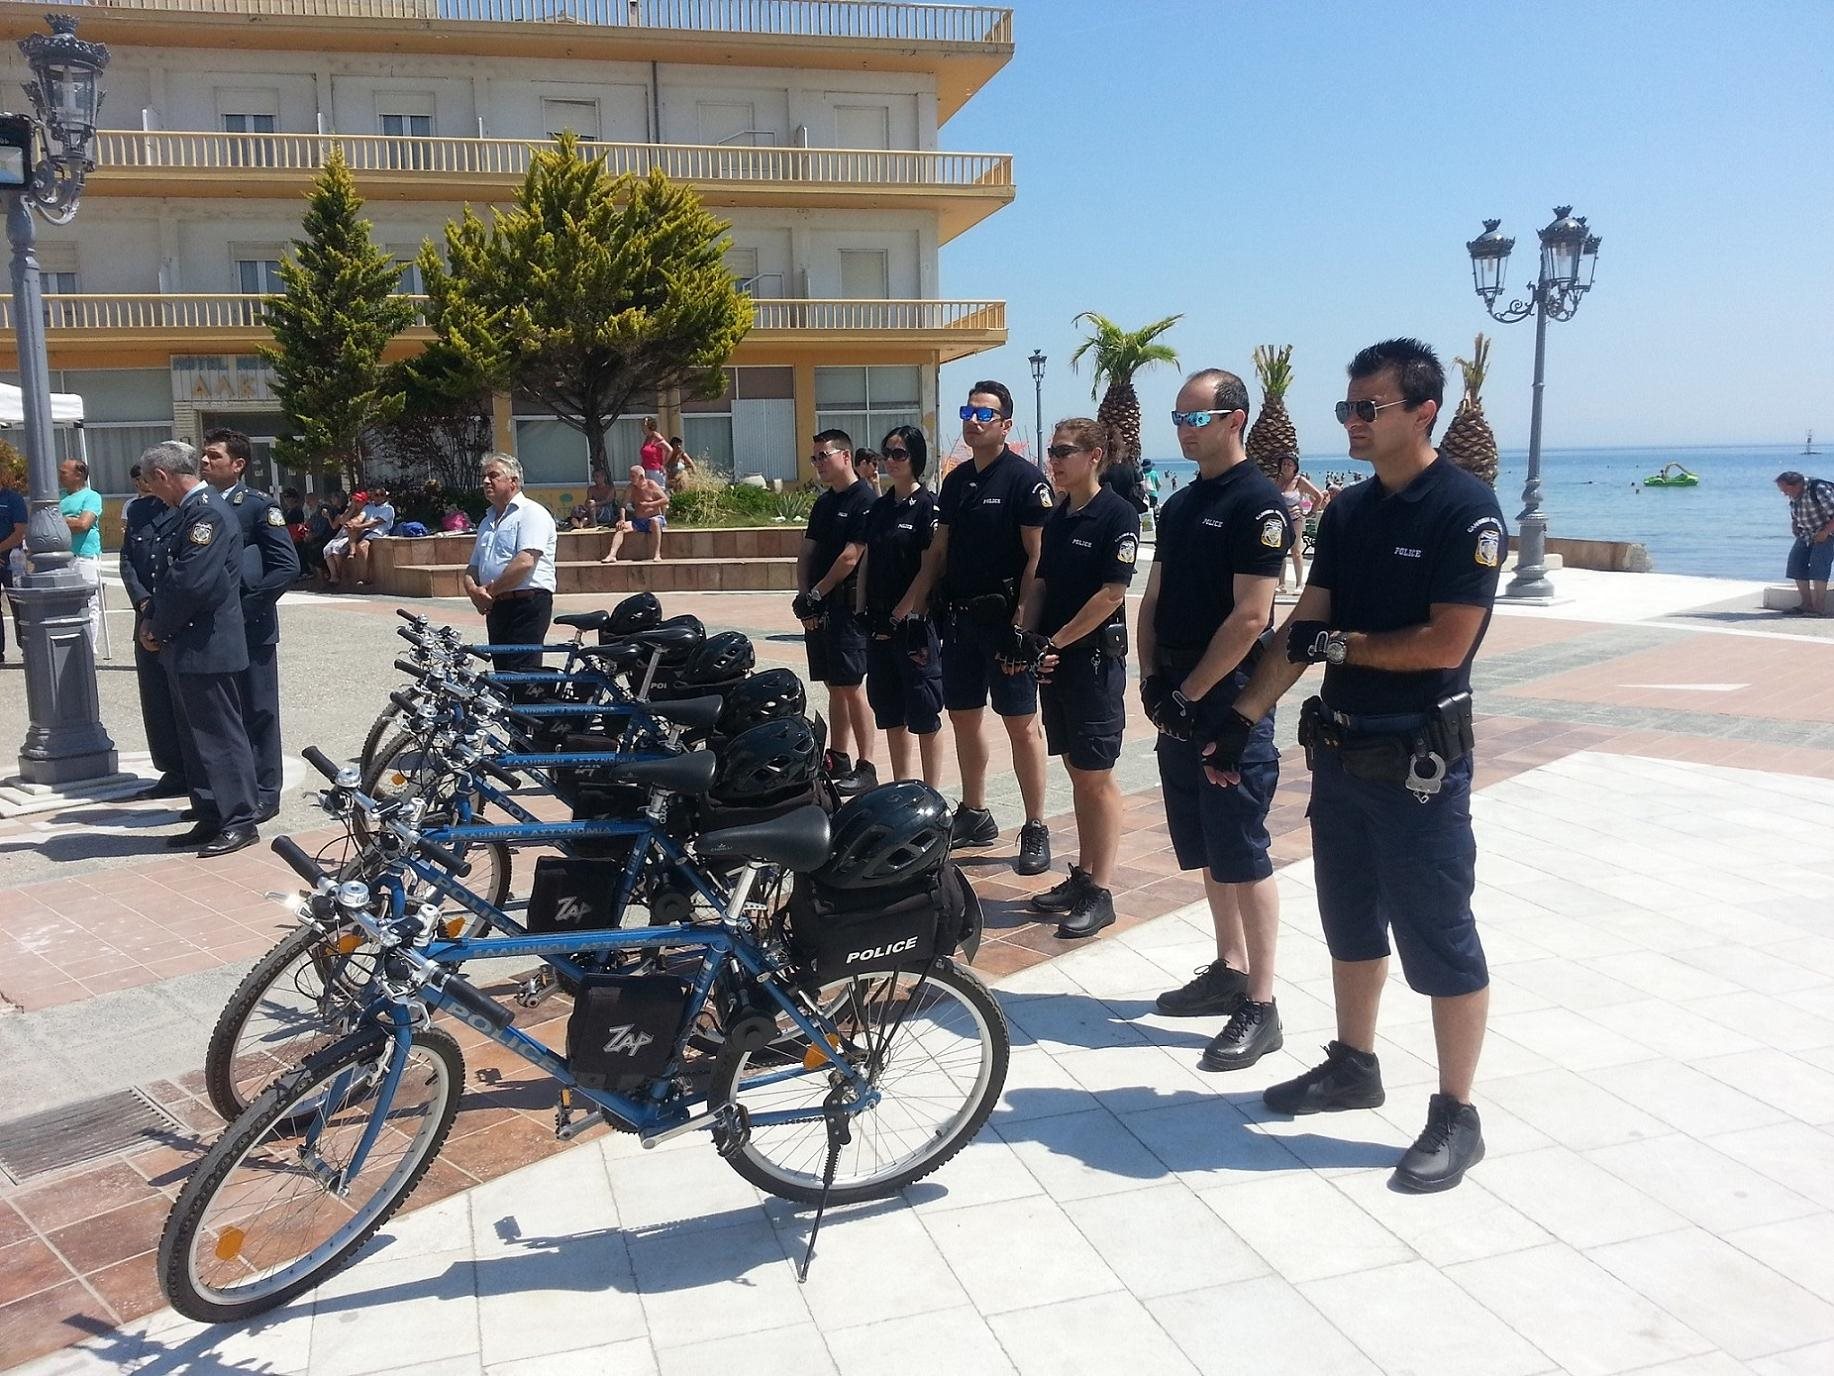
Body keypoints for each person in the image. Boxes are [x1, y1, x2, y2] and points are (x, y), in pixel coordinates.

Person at [1206, 338, 1507, 1193]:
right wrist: (1239, 717)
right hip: (1340, 757)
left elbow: (1448, 640)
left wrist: (1333, 644)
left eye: (1367, 408)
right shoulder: (1349, 512)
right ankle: (1354, 1065)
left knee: (1440, 936)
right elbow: (1307, 621)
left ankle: (1457, 1113)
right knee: (1348, 921)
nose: (1354, 422)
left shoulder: (1465, 509)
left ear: (1423, 413)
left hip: (1418, 766)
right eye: (1348, 408)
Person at [1137, 370, 1291, 1071]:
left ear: (1237, 419)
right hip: (1177, 695)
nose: (1183, 428)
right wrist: (1148, 680)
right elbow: (1154, 595)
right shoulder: (1178, 506)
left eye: (1197, 417)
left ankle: (1262, 1002)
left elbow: (1253, 616)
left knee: (1243, 849)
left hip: (1226, 701)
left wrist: (1193, 694)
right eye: (1178, 417)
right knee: (1203, 845)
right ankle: (1228, 968)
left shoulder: (1257, 504)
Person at [894, 381, 1054, 875]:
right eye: (968, 411)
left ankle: (1035, 826)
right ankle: (976, 812)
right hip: (960, 622)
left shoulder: (1026, 481)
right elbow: (937, 553)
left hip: (1005, 624)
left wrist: (1022, 626)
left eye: (984, 414)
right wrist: (914, 612)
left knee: (1021, 726)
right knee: (964, 717)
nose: (972, 420)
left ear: (1005, 425)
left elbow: (1038, 558)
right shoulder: (957, 481)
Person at [1015, 418, 1139, 938]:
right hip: (1056, 661)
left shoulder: (1118, 515)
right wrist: (1026, 631)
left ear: (1095, 456)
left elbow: (1112, 594)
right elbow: (1041, 581)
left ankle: (1101, 890)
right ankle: (1083, 874)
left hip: (1092, 664)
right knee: (1075, 768)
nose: (1055, 460)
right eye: (1051, 451)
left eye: (1065, 451)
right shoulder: (1061, 515)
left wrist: (1057, 641)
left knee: (1096, 775)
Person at [138, 440, 261, 859]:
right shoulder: (192, 511)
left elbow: (193, 581)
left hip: (205, 643)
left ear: (163, 476)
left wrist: (157, 625)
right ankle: (212, 812)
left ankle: (240, 819)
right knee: (197, 739)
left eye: (153, 485)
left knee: (220, 735)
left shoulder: (205, 512)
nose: (154, 493)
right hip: (189, 644)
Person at [201, 427, 299, 823]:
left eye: (214, 456)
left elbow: (286, 566)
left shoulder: (257, 506)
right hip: (211, 629)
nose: (205, 462)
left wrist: (246, 609)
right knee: (225, 714)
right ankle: (231, 793)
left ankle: (264, 791)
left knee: (258, 709)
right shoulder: (198, 504)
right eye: (203, 456)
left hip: (250, 625)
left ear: (238, 465)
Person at [857, 425, 944, 787]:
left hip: (913, 627)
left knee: (924, 711)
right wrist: (861, 608)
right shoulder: (879, 507)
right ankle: (902, 786)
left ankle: (931, 791)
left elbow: (929, 567)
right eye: (886, 453)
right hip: (878, 622)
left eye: (899, 454)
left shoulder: (927, 506)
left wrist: (901, 614)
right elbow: (867, 559)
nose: (890, 461)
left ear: (915, 459)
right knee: (889, 709)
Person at [796, 429, 878, 794]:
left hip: (847, 607)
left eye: (823, 456)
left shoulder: (865, 499)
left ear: (845, 456)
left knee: (851, 686)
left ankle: (867, 764)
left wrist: (817, 592)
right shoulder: (824, 503)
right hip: (820, 606)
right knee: (833, 685)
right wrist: (804, 596)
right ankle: (839, 756)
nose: (818, 464)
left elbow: (851, 555)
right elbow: (807, 551)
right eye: (814, 458)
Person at [120, 458, 188, 798]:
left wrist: (159, 609)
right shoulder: (138, 511)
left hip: (176, 617)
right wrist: (143, 603)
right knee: (156, 697)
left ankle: (195, 770)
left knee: (185, 697)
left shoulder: (188, 511)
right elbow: (128, 560)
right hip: (145, 616)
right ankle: (172, 770)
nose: (144, 485)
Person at [464, 453, 558, 675]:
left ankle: (531, 711)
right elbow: (473, 567)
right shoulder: (487, 521)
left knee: (522, 677)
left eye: (493, 475)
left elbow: (525, 561)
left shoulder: (531, 513)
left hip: (527, 605)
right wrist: (474, 592)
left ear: (513, 481)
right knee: (503, 676)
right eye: (484, 477)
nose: (486, 481)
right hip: (497, 607)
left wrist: (490, 593)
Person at [57, 457, 104, 649]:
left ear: (79, 475)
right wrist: (69, 520)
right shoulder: (58, 497)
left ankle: (87, 646)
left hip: (84, 555)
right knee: (62, 602)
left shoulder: (91, 497)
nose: (59, 476)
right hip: (61, 557)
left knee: (88, 602)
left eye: (63, 472)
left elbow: (83, 524)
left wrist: (60, 520)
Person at [1774, 470, 1834, 615]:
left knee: (1819, 564)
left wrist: (1825, 532)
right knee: (1795, 563)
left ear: (1795, 485)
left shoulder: (1818, 489)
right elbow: (1796, 510)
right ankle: (1806, 604)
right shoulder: (1795, 494)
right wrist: (1795, 523)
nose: (1784, 494)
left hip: (1828, 532)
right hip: (1806, 534)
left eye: (1785, 490)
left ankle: (1818, 607)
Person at [322, 483, 394, 588]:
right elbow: (360, 517)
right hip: (364, 532)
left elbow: (375, 523)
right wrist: (353, 523)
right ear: (372, 496)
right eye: (376, 495)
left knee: (362, 546)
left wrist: (357, 526)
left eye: (381, 495)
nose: (378, 497)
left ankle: (364, 578)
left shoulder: (388, 509)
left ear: (385, 496)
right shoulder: (369, 507)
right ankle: (352, 552)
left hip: (377, 533)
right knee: (331, 545)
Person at [1275, 454, 1323, 593]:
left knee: (1296, 551)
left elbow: (1318, 496)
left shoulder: (1299, 481)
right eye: (1284, 464)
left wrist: (1312, 512)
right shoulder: (1277, 480)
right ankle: (1281, 584)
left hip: (1296, 518)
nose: (1286, 466)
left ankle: (1299, 584)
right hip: (1281, 519)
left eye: (1290, 464)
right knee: (1281, 551)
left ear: (1295, 467)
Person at [602, 464, 668, 563]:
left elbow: (665, 499)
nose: (630, 479)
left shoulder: (651, 485)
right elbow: (623, 505)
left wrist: (649, 504)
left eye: (633, 476)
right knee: (621, 527)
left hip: (654, 519)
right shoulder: (630, 488)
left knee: (654, 521)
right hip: (638, 521)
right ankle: (612, 555)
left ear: (641, 477)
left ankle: (657, 554)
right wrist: (622, 519)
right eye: (630, 476)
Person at [0, 464, 25, 663]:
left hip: (11, 559)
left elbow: (19, 532)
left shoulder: (13, 499)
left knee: (18, 603)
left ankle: (26, 645)